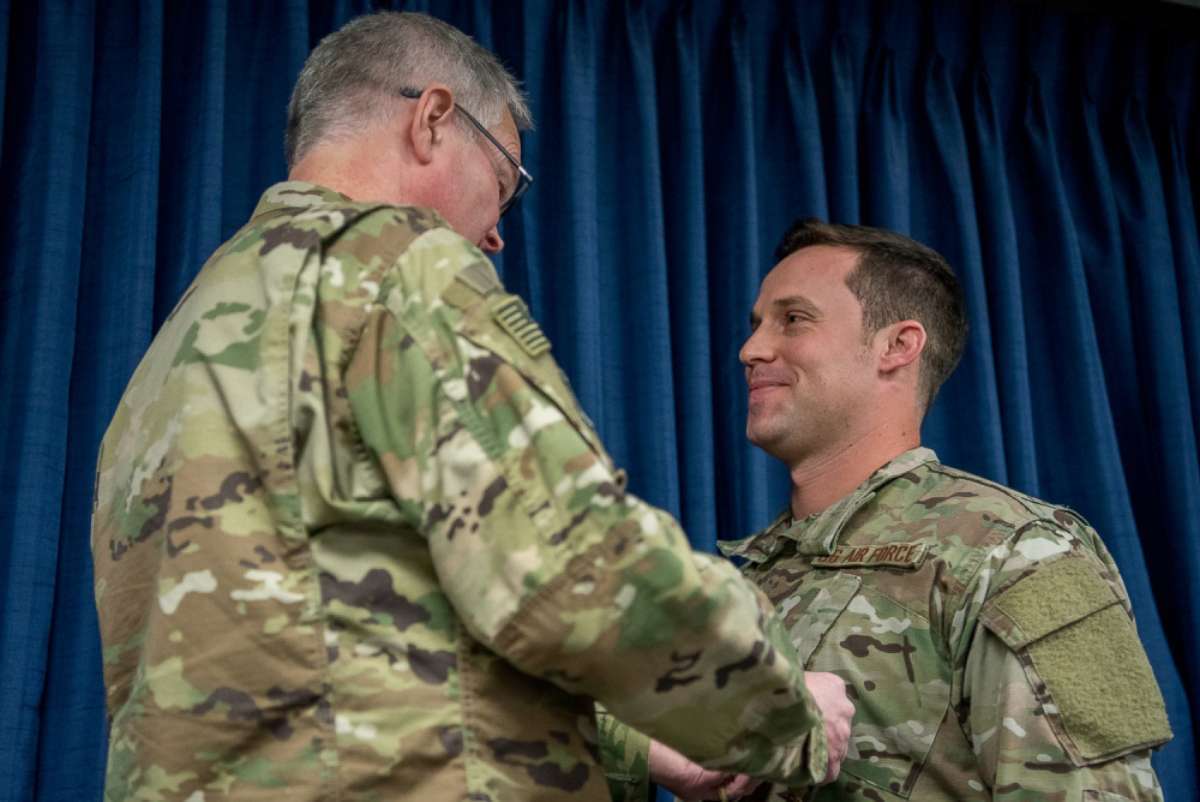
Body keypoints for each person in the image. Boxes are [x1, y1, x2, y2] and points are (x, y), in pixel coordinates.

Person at [89, 13, 855, 802]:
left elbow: (352, 630)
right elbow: (572, 565)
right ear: (432, 121)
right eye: (506, 186)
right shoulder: (395, 266)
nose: (495, 237)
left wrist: (642, 747)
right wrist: (787, 708)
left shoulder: (182, 342)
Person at [604, 219, 1172, 801]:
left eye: (793, 319)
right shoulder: (750, 586)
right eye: (756, 326)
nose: (751, 350)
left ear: (897, 347)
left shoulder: (1018, 550)